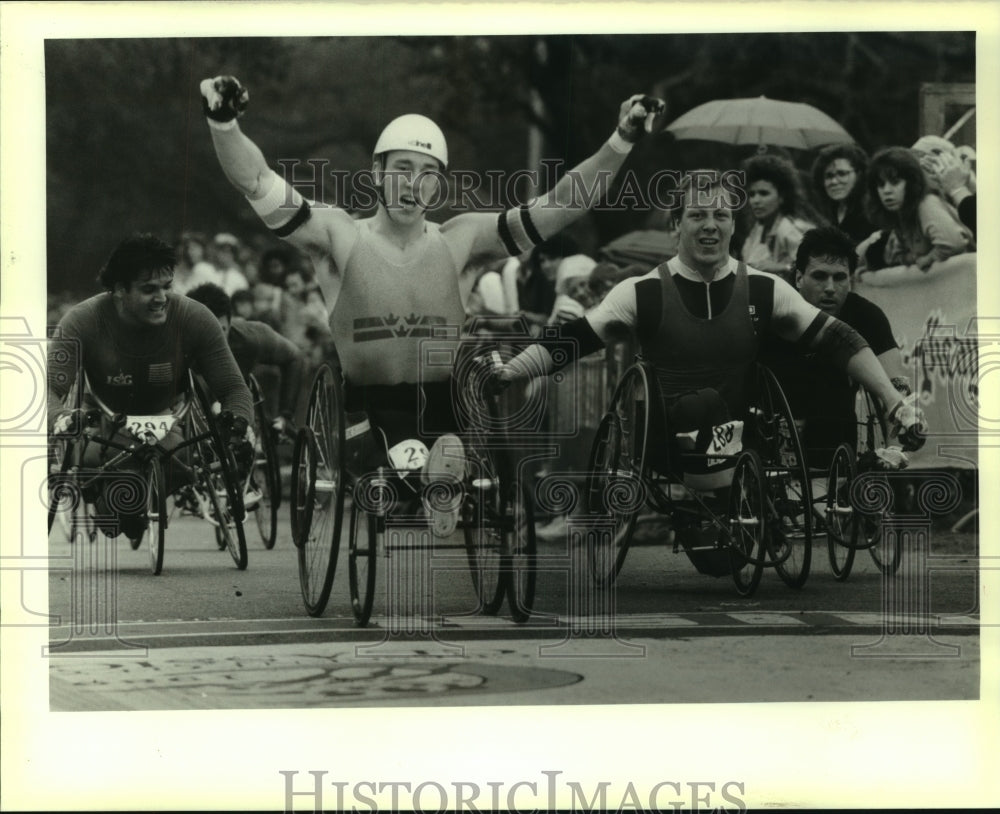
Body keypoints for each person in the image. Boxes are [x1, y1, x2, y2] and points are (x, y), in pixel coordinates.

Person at [201, 74, 663, 535]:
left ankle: (440, 475)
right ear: (376, 173)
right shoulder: (337, 234)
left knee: (444, 436)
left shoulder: (461, 240)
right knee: (408, 455)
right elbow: (258, 180)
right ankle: (433, 479)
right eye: (402, 168)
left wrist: (621, 140)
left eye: (427, 174)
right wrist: (223, 122)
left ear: (437, 186)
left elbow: (560, 205)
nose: (412, 184)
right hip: (367, 406)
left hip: (444, 402)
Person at [486, 171, 926, 514]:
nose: (710, 226)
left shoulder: (764, 288)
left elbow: (841, 339)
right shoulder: (641, 291)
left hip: (746, 440)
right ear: (675, 224)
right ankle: (723, 500)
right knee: (703, 404)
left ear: (734, 225)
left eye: (721, 216)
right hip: (667, 437)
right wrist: (513, 370)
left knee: (729, 406)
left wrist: (893, 402)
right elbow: (574, 338)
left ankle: (735, 503)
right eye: (697, 215)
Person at [47, 234, 255, 542]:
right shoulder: (81, 321)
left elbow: (235, 388)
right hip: (105, 423)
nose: (162, 298)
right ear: (118, 290)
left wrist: (237, 420)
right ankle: (115, 504)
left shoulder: (195, 318)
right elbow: (47, 390)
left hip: (166, 422)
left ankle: (133, 501)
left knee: (175, 470)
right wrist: (61, 417)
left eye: (167, 287)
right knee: (114, 516)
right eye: (148, 290)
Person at [761, 226, 908, 469]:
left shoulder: (867, 315)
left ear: (850, 279)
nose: (830, 287)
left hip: (836, 433)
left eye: (839, 277)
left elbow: (897, 385)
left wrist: (894, 448)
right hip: (774, 429)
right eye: (819, 276)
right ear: (798, 278)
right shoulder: (775, 307)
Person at [185, 283, 306, 439]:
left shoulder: (251, 336)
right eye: (206, 332)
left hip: (237, 402)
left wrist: (286, 415)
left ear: (230, 321)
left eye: (221, 330)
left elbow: (295, 357)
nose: (215, 340)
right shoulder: (177, 344)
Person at [858, 146, 974, 275]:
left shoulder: (927, 203)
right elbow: (893, 257)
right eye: (881, 185)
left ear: (911, 182)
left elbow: (953, 244)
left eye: (895, 182)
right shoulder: (901, 214)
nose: (887, 191)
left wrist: (928, 259)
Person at [739, 154, 819, 283]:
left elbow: (815, 266)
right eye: (752, 194)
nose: (756, 201)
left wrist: (781, 267)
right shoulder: (758, 228)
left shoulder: (788, 228)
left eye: (764, 193)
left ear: (781, 197)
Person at [809, 143, 876, 245]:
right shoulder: (828, 210)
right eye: (829, 176)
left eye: (842, 174)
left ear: (859, 174)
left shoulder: (871, 210)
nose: (834, 181)